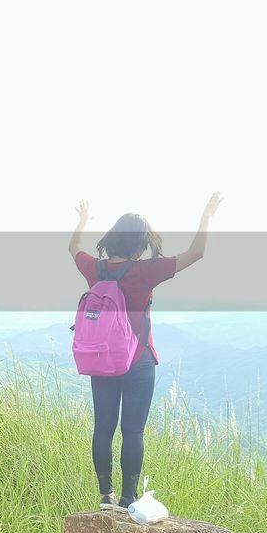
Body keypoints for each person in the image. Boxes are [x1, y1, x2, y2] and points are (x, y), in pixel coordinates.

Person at [68, 193, 223, 510]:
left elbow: (72, 248)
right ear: (140, 243)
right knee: (132, 430)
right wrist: (206, 215)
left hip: (102, 360)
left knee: (104, 427)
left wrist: (82, 222)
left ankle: (105, 496)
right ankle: (128, 498)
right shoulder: (145, 271)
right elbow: (197, 253)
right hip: (138, 360)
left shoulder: (94, 269)